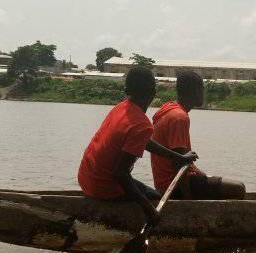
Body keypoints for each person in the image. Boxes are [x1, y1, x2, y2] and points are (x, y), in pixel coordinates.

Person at [77, 66, 197, 226]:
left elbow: (144, 141)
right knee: (156, 199)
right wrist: (149, 210)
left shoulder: (121, 108)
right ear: (154, 92)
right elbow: (120, 175)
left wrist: (178, 157)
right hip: (105, 187)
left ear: (127, 90)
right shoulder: (141, 125)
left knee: (150, 193)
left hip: (86, 179)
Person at [150, 70, 247, 200]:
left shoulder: (169, 109)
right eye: (202, 89)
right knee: (238, 188)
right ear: (196, 90)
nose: (204, 93)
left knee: (220, 182)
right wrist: (189, 201)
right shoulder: (179, 117)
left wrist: (203, 176)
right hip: (173, 187)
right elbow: (179, 165)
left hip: (165, 184)